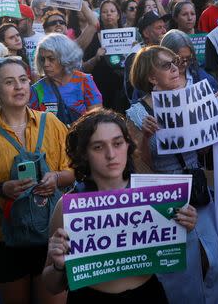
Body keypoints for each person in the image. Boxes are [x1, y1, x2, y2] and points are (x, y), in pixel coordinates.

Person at [42, 109, 196, 302]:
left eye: (117, 143)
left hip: (148, 295)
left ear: (128, 146)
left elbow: (169, 249)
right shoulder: (67, 207)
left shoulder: (153, 195)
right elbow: (51, 285)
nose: (111, 154)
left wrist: (185, 224)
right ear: (83, 154)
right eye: (98, 147)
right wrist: (58, 265)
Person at [0, 57, 73, 304]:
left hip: (51, 234)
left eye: (23, 80)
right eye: (9, 82)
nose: (19, 87)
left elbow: (74, 170)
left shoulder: (50, 122)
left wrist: (56, 178)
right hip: (4, 238)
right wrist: (2, 189)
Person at [125, 47, 218, 303]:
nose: (175, 68)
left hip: (198, 193)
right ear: (150, 77)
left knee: (211, 259)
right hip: (164, 200)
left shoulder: (190, 100)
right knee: (179, 270)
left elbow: (203, 149)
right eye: (166, 65)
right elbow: (138, 168)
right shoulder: (137, 114)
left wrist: (215, 111)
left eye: (176, 63)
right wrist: (147, 135)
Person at [29, 33, 102, 125]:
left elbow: (97, 119)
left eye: (51, 59)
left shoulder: (84, 81)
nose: (45, 64)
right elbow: (33, 124)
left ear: (65, 58)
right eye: (42, 59)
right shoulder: (36, 89)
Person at [81, 0, 129, 113]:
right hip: (101, 90)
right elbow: (83, 69)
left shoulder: (130, 36)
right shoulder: (93, 38)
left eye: (112, 11)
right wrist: (95, 58)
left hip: (124, 91)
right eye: (104, 12)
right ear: (100, 16)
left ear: (118, 15)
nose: (109, 14)